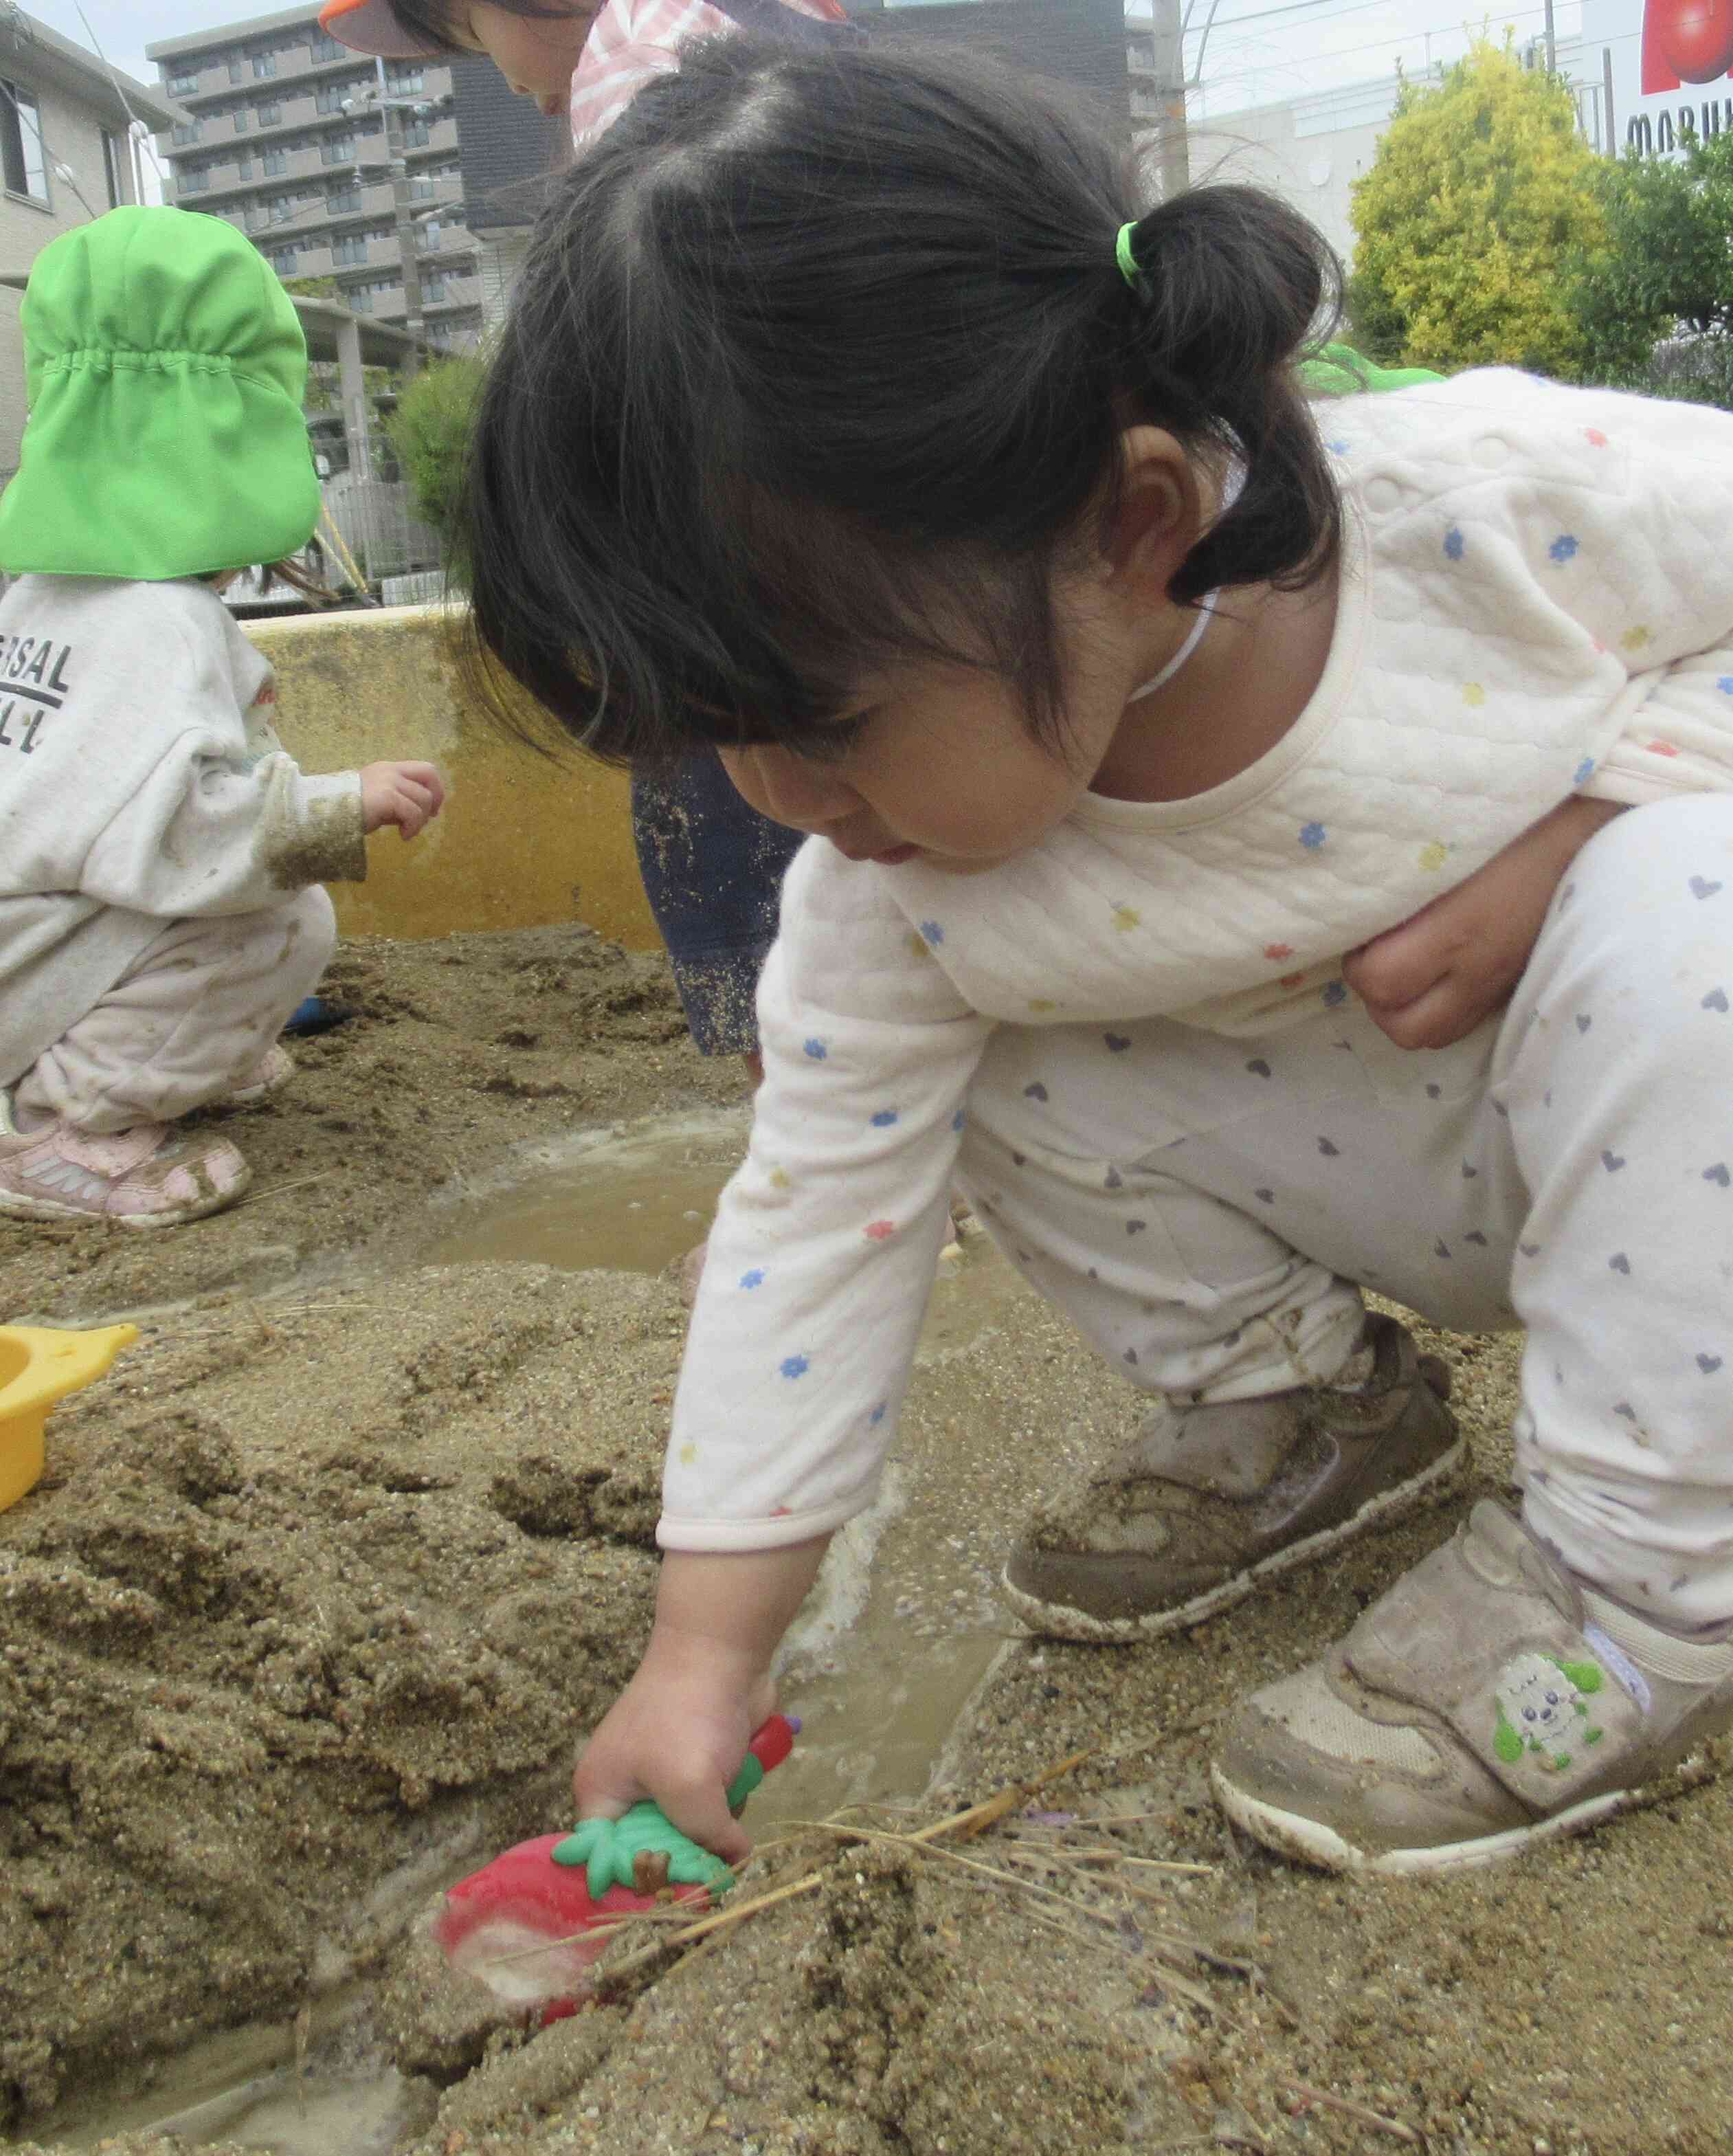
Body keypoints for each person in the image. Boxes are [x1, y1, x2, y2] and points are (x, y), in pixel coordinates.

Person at [457, 34, 1733, 1878]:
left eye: (823, 721)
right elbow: (817, 1218)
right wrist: (699, 1658)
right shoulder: (892, 885)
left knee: (1690, 914)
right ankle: (1295, 1409)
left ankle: (1640, 1594)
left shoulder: (1495, 506)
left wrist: (1590, 824)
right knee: (971, 1047)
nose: (781, 799)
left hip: (1674, 1157)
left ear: (1135, 525)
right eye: (715, 742)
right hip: (1421, 1169)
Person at [318, 0, 847, 1079]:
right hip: (876, 556)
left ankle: (821, 1177)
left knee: (761, 889)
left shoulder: (654, 70)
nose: (498, 74)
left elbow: (645, 350)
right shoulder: (815, 47)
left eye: (469, 30)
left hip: (743, 572)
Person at [0, 207, 445, 1228]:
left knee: (227, 920)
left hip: (22, 946)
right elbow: (184, 835)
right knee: (277, 924)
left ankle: (134, 1058)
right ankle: (67, 1125)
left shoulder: (38, 597)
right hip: (25, 985)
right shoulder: (165, 623)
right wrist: (342, 806)